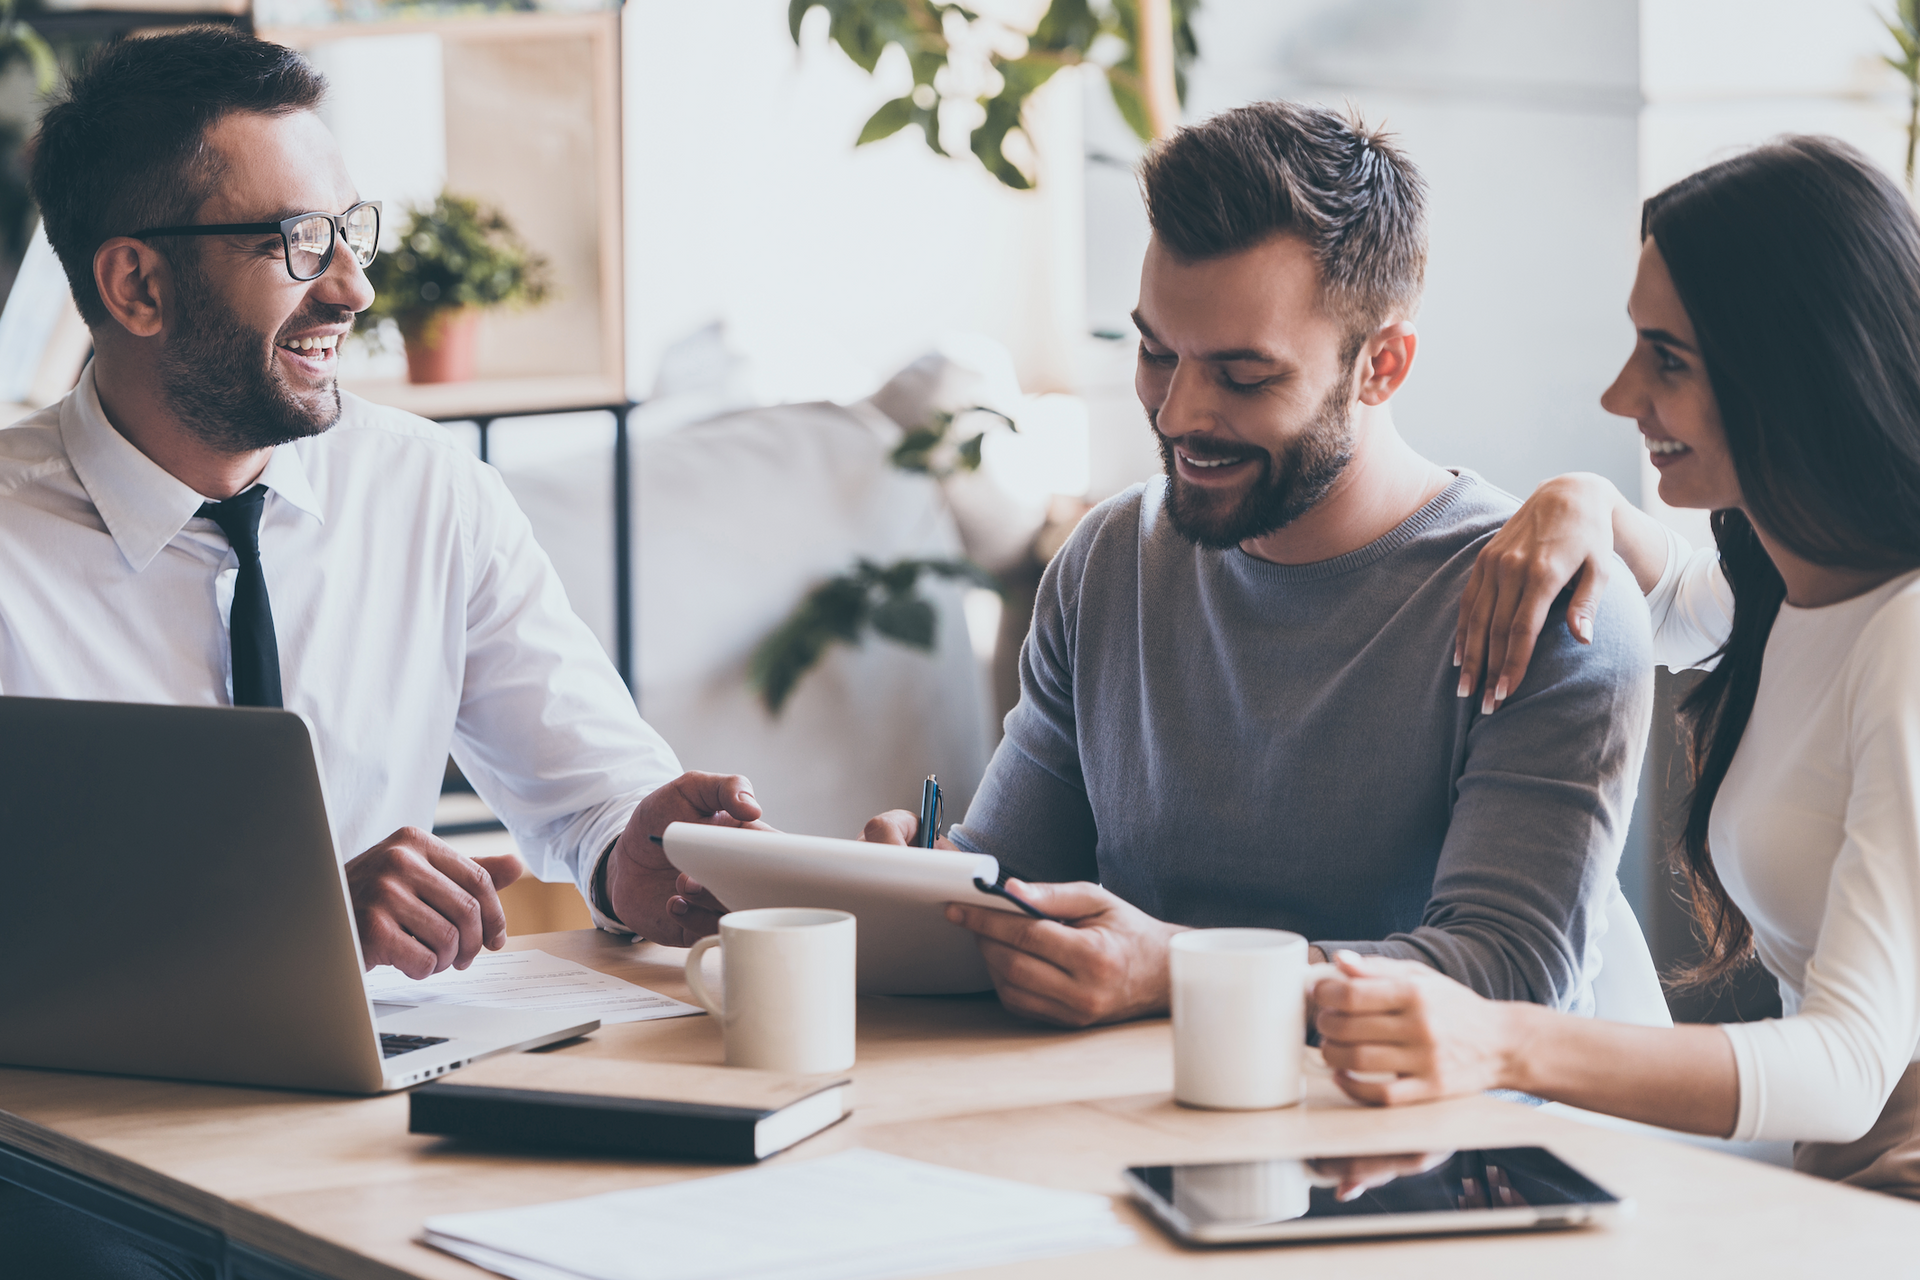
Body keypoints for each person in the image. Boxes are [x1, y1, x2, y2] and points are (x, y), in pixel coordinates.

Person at [0, 28, 742, 1273]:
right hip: (64, 1165)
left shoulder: (427, 492)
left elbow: (595, 792)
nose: (349, 285)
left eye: (353, 231)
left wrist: (639, 851)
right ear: (135, 287)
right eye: (297, 244)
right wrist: (289, 927)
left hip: (380, 1135)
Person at [853, 100, 1655, 1028]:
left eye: (1243, 376)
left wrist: (1181, 971)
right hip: (1127, 1127)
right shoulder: (1109, 563)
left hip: (1435, 1155)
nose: (1180, 412)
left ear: (1381, 366)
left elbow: (1511, 974)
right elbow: (1024, 886)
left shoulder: (1546, 604)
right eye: (1157, 353)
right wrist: (930, 890)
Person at [1312, 135, 1920, 1199]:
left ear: (1797, 373)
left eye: (1667, 359)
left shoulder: (1906, 640)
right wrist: (1579, 500)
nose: (1618, 393)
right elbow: (1682, 603)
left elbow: (1844, 1068)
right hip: (1828, 1172)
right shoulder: (1804, 572)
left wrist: (1501, 1040)